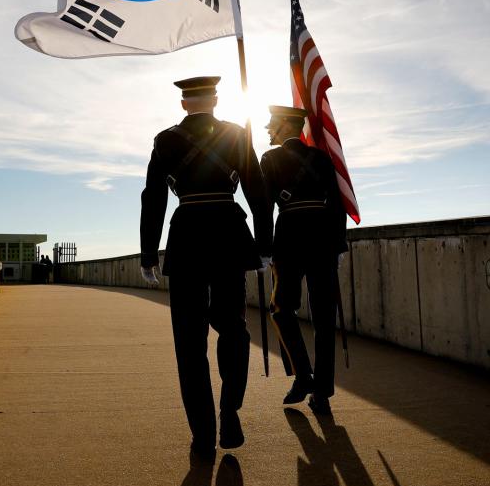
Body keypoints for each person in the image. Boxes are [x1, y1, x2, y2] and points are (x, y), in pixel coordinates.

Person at [139, 76, 273, 458]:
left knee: (189, 341)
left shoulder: (165, 140)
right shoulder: (236, 134)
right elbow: (258, 191)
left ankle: (202, 435)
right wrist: (265, 245)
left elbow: (153, 198)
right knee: (234, 329)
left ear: (184, 105)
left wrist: (149, 253)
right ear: (215, 100)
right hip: (229, 235)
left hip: (186, 240)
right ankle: (230, 411)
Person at [260, 105, 348, 415]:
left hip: (290, 237)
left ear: (286, 125)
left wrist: (264, 248)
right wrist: (338, 245)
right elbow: (337, 205)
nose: (268, 128)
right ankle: (321, 391)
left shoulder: (269, 159)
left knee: (282, 308)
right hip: (323, 237)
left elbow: (264, 207)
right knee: (324, 317)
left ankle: (302, 375)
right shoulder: (323, 160)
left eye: (272, 123)